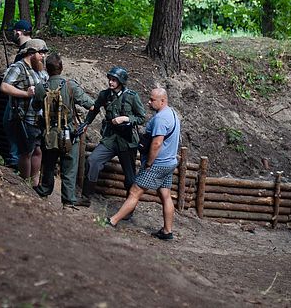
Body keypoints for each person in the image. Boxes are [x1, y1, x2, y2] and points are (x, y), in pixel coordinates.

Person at [106, 87, 180, 240]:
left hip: (157, 164)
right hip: (170, 162)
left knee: (134, 191)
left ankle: (112, 221)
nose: (148, 102)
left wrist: (149, 163)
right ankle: (167, 231)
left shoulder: (160, 119)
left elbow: (156, 144)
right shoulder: (172, 113)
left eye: (152, 100)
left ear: (163, 100)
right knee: (165, 195)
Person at [32, 54, 96, 207]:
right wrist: (86, 122)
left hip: (49, 133)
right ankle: (68, 200)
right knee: (69, 166)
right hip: (69, 134)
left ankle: (44, 190)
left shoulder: (41, 87)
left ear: (47, 69)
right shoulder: (70, 85)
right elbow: (91, 105)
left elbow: (35, 107)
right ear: (61, 68)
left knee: (48, 164)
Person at [77, 66, 146, 206]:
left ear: (121, 81)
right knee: (93, 161)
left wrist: (126, 118)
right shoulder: (105, 95)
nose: (110, 82)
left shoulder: (132, 96)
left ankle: (129, 208)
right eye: (110, 79)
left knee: (129, 176)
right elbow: (94, 109)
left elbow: (141, 117)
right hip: (110, 137)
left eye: (114, 80)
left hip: (127, 140)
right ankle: (86, 198)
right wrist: (86, 123)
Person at [0, 38, 49, 184]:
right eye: (41, 53)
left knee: (38, 151)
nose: (44, 56)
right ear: (31, 53)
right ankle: (24, 183)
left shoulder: (38, 69)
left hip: (38, 119)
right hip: (24, 118)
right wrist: (25, 94)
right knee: (26, 153)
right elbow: (4, 87)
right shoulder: (18, 68)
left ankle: (34, 184)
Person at [2, 19, 33, 168]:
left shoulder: (26, 52)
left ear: (19, 32)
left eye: (15, 32)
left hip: (21, 99)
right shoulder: (30, 49)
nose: (13, 34)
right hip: (22, 96)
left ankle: (15, 161)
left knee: (13, 126)